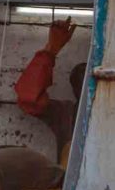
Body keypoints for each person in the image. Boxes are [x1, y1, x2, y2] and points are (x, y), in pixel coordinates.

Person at [14, 17, 86, 172]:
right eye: (79, 84)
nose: (86, 90)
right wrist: (51, 50)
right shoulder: (64, 114)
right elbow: (29, 99)